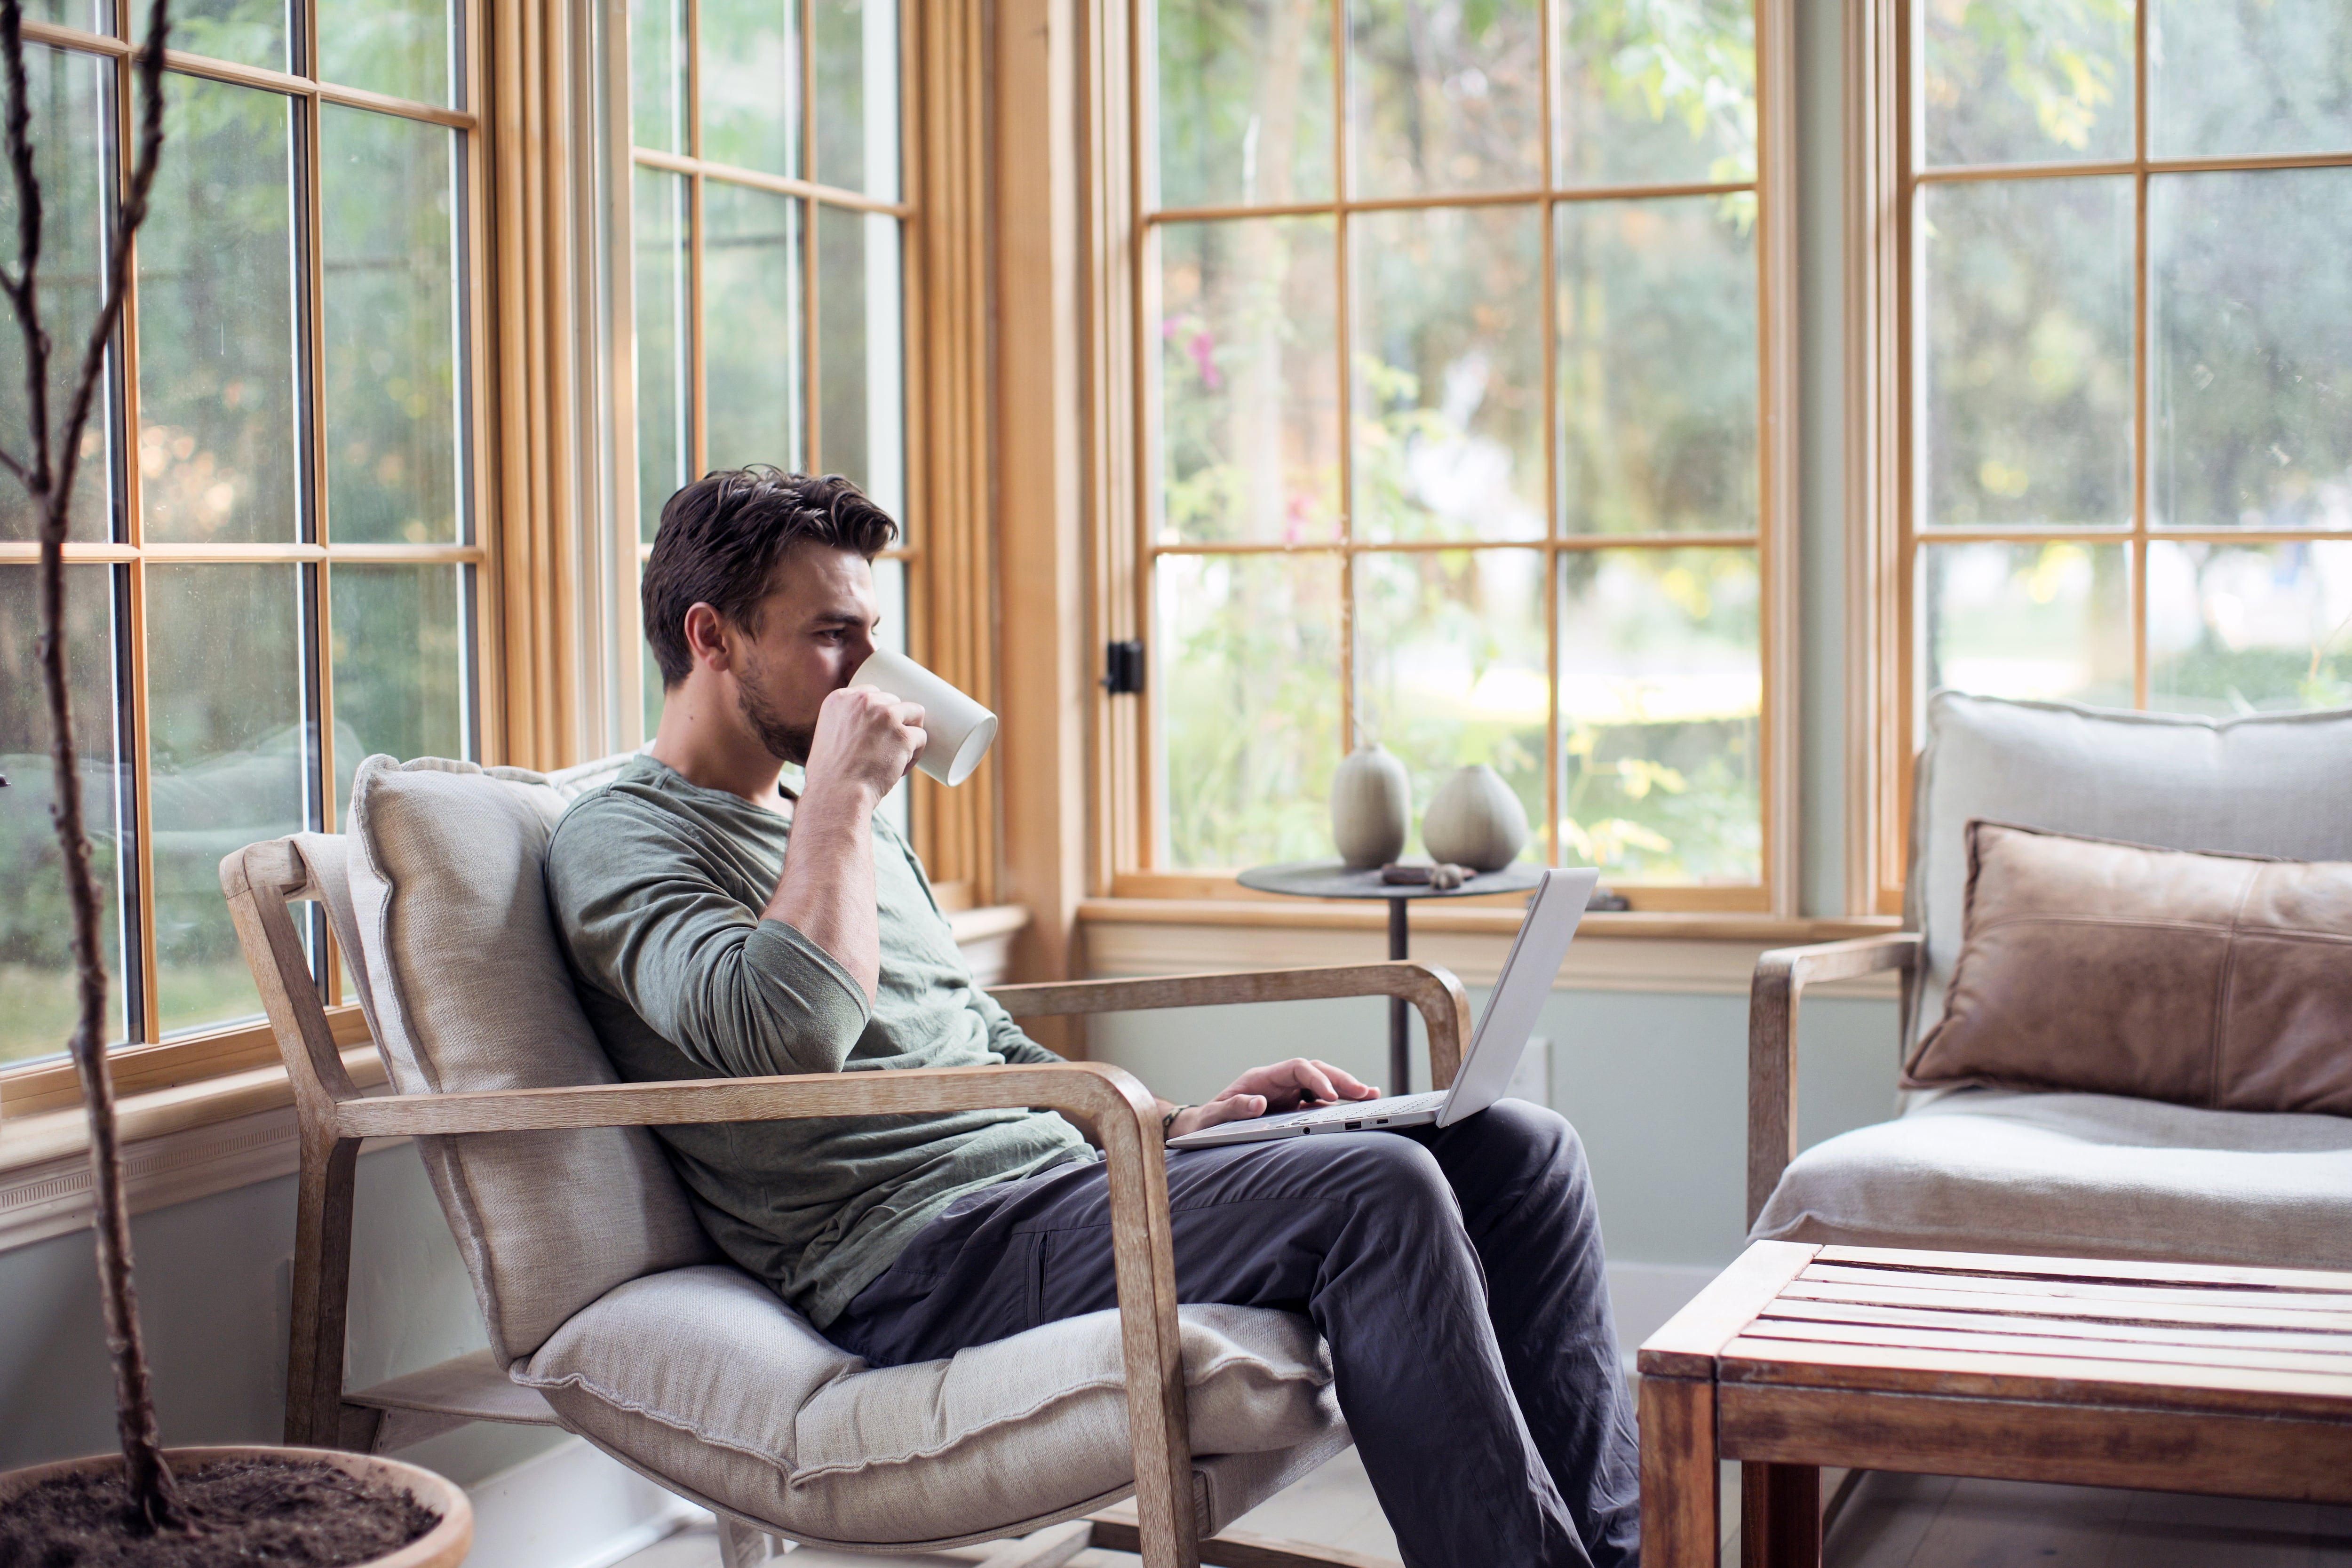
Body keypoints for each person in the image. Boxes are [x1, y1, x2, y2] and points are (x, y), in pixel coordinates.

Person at [544, 468, 1640, 1568]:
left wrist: (1175, 1123)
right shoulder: (625, 839)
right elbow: (785, 1032)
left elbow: (985, 1038)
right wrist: (836, 800)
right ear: (711, 636)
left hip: (1056, 1196)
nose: (868, 672)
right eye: (834, 635)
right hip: (916, 1261)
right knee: (1379, 1189)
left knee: (1516, 1147)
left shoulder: (846, 828)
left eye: (870, 633)